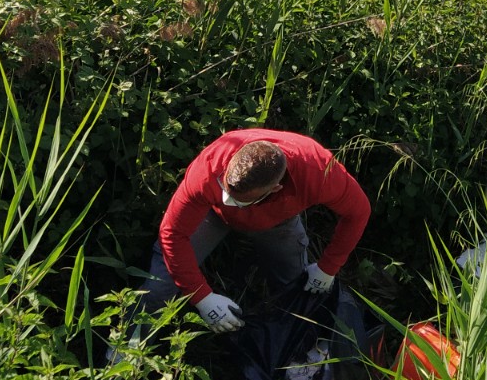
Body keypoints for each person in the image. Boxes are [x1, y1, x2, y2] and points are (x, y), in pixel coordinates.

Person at [140, 129, 371, 333]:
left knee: (299, 289)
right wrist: (203, 298)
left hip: (277, 221)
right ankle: (125, 349)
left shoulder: (317, 171)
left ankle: (290, 349)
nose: (227, 199)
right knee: (160, 286)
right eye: (225, 189)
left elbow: (358, 212)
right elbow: (172, 234)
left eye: (237, 201)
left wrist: (327, 268)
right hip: (210, 214)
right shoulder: (210, 168)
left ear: (275, 188)